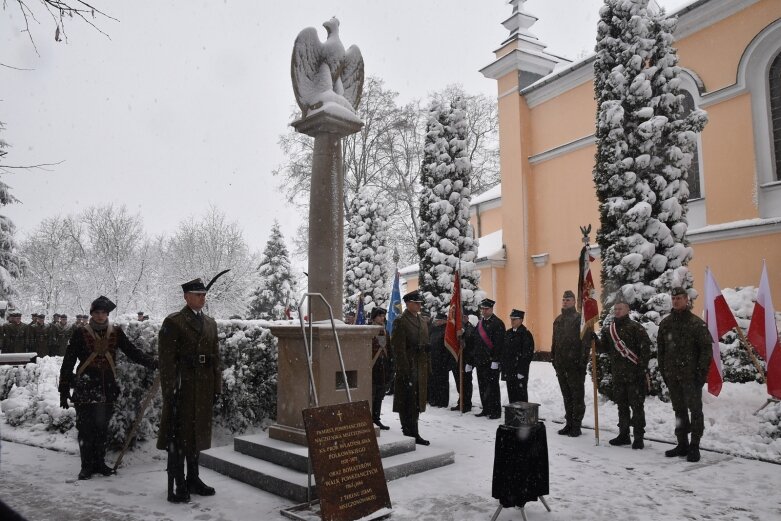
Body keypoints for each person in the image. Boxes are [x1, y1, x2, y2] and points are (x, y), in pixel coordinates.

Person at [58, 296, 158, 480]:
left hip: (107, 389)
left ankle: (100, 463)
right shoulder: (80, 333)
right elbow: (68, 362)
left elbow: (132, 352)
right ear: (92, 314)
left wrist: (153, 363)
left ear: (107, 314)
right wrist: (63, 390)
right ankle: (86, 466)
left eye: (104, 313)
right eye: (97, 313)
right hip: (85, 388)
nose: (101, 316)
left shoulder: (116, 332)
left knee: (102, 428)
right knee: (86, 429)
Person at [157, 278, 223, 503]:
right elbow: (166, 362)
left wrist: (217, 387)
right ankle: (179, 482)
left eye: (203, 295)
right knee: (179, 439)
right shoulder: (174, 322)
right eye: (197, 294)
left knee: (196, 438)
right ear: (186, 296)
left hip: (203, 389)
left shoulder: (211, 323)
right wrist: (170, 391)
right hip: (183, 389)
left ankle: (193, 479)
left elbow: (216, 358)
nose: (201, 298)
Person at [657, 287, 713, 462]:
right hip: (673, 377)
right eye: (673, 298)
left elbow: (706, 351)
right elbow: (661, 351)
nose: (676, 301)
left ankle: (694, 446)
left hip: (691, 378)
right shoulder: (666, 324)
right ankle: (682, 443)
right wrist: (665, 372)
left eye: (679, 298)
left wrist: (700, 375)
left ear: (686, 300)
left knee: (695, 411)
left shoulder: (697, 324)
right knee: (679, 411)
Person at [595, 294, 651, 449]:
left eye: (620, 308)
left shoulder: (635, 328)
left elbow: (646, 349)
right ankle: (624, 434)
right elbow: (604, 348)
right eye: (615, 309)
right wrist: (594, 339)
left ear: (627, 310)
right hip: (619, 375)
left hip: (635, 376)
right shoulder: (609, 330)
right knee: (622, 406)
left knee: (637, 407)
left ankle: (638, 437)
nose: (617, 311)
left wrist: (642, 368)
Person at [391, 290, 431, 445]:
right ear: (408, 304)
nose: (418, 305)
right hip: (409, 366)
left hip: (420, 365)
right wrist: (404, 370)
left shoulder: (421, 320)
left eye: (420, 303)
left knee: (417, 401)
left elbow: (424, 341)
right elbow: (398, 348)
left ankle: (414, 431)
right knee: (407, 401)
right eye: (416, 303)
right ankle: (409, 432)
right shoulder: (401, 321)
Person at [552, 290, 589, 437]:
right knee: (566, 396)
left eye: (568, 299)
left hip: (575, 366)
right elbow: (554, 342)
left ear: (574, 302)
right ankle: (569, 423)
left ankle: (577, 425)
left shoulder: (580, 319)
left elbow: (585, 344)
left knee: (577, 397)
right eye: (563, 299)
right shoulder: (558, 320)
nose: (565, 302)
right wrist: (554, 359)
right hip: (561, 365)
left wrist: (582, 363)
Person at [468, 298, 505, 419]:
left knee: (493, 387)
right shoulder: (480, 323)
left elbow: (499, 344)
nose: (484, 311)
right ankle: (486, 408)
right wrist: (471, 360)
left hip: (491, 361)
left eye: (486, 309)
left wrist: (496, 360)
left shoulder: (498, 323)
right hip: (480, 361)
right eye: (482, 309)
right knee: (482, 386)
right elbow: (474, 341)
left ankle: (495, 411)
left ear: (491, 309)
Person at [501, 309, 535, 403]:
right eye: (511, 319)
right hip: (509, 369)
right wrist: (503, 367)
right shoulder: (508, 333)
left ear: (521, 320)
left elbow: (527, 355)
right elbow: (504, 352)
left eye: (514, 319)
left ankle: (522, 416)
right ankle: (513, 415)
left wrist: (522, 371)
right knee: (511, 394)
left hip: (519, 370)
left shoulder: (526, 334)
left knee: (521, 394)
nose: (512, 321)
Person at [370, 307, 392, 430]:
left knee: (379, 395)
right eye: (379, 316)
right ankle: (369, 418)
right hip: (372, 367)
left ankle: (376, 418)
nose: (382, 318)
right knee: (371, 395)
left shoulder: (385, 332)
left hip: (383, 368)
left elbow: (389, 350)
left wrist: (391, 365)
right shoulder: (368, 331)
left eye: (383, 316)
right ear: (374, 317)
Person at [451, 309, 476, 412]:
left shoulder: (470, 328)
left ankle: (466, 404)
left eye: (464, 317)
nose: (462, 319)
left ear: (467, 318)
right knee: (459, 383)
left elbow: (470, 342)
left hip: (467, 360)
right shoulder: (458, 328)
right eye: (461, 317)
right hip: (458, 359)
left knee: (466, 383)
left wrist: (463, 333)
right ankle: (461, 402)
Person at [427, 312, 451, 408]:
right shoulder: (433, 329)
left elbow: (447, 348)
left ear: (444, 321)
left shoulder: (446, 330)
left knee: (443, 382)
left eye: (439, 320)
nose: (436, 322)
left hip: (442, 361)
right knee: (433, 380)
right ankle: (435, 399)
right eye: (436, 320)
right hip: (433, 359)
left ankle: (443, 401)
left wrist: (445, 361)